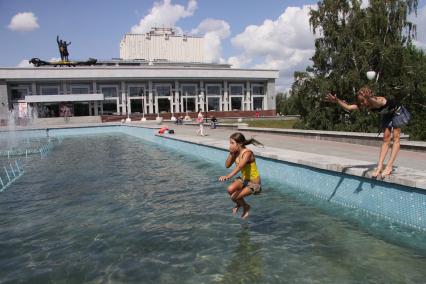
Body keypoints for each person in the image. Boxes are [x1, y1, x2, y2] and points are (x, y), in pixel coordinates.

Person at [326, 86, 411, 178]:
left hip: (397, 112)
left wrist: (369, 98)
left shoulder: (379, 100)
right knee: (386, 139)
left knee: (396, 138)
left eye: (363, 101)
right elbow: (349, 107)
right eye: (360, 102)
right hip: (387, 114)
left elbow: (376, 102)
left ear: (369, 97)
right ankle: (380, 166)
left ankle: (389, 166)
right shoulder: (366, 104)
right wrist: (337, 100)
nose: (362, 104)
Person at [219, 132, 264, 219]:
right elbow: (227, 165)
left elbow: (240, 166)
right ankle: (240, 204)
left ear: (239, 144)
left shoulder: (247, 153)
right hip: (244, 180)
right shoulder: (235, 153)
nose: (230, 145)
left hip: (254, 184)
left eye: (232, 143)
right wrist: (231, 153)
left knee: (233, 197)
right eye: (230, 143)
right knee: (229, 189)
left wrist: (228, 176)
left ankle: (246, 207)